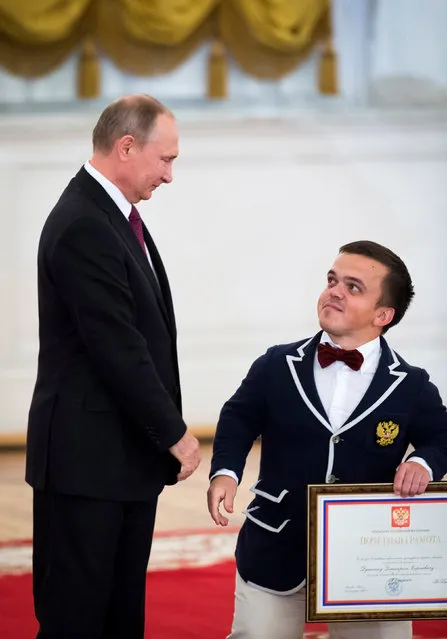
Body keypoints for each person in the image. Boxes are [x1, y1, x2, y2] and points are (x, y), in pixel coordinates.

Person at [25, 94, 201, 639]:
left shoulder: (112, 216)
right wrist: (175, 433)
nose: (170, 175)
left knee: (120, 616)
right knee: (76, 618)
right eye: (165, 159)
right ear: (127, 147)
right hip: (86, 464)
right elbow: (116, 345)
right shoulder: (85, 222)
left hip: (116, 460)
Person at [207, 240, 447, 639]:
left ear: (383, 315)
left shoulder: (413, 385)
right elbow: (237, 418)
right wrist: (225, 471)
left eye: (353, 287)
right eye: (332, 280)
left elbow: (442, 436)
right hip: (276, 541)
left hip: (369, 557)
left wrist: (422, 462)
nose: (334, 290)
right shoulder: (275, 365)